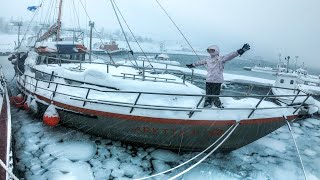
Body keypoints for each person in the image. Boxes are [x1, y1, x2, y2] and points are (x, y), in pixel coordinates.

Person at [186, 44, 250, 108]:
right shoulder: (208, 59)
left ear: (216, 51)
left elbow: (231, 55)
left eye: (212, 50)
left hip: (217, 80)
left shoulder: (221, 59)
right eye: (209, 50)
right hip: (209, 79)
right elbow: (200, 62)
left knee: (215, 94)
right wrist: (192, 65)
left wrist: (241, 50)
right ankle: (208, 102)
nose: (210, 52)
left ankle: (216, 102)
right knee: (208, 94)